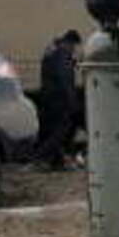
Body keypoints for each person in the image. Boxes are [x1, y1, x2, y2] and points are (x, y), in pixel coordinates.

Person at [34, 29, 84, 170]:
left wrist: (72, 62)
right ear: (70, 42)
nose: (74, 49)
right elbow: (64, 78)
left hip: (48, 97)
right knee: (61, 132)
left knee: (54, 130)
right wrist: (72, 100)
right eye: (74, 46)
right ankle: (41, 157)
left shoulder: (53, 50)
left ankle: (56, 162)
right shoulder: (62, 54)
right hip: (59, 99)